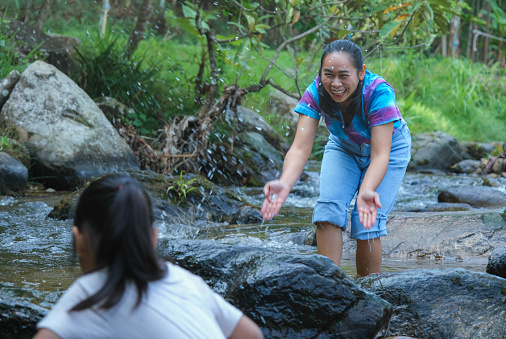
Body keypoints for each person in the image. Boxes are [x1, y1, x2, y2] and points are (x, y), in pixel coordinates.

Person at [34, 175, 263, 339]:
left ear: (78, 239)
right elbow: (251, 334)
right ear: (153, 238)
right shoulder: (182, 280)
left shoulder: (88, 296)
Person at [261, 39, 411, 277]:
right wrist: (285, 182)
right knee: (328, 211)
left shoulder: (378, 93)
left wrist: (367, 190)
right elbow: (300, 148)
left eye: (344, 75)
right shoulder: (316, 93)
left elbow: (380, 154)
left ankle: (367, 291)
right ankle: (330, 285)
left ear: (361, 72)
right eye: (328, 75)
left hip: (389, 150)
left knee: (367, 221)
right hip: (344, 148)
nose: (336, 83)